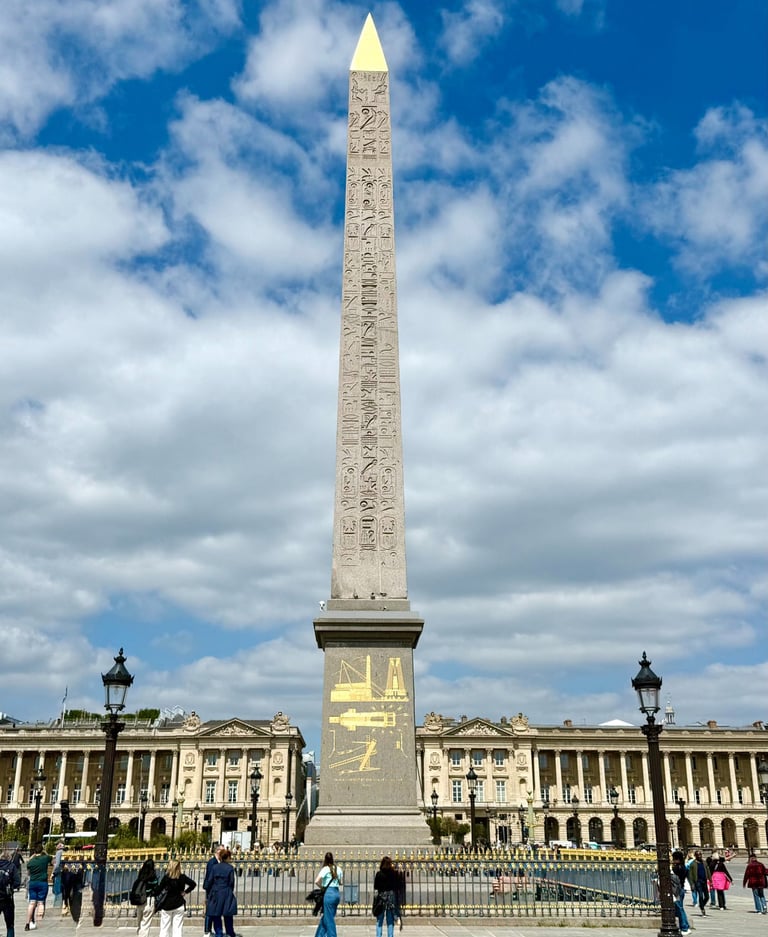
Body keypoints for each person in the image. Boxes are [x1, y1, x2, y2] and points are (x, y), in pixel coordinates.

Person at [155, 860, 196, 937]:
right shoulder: (182, 877)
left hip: (167, 904)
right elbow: (193, 884)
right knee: (177, 928)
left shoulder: (166, 878)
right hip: (179, 903)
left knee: (164, 928)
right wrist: (185, 892)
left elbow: (158, 890)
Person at [202, 848, 237, 937]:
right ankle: (230, 932)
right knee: (228, 915)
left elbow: (209, 880)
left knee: (216, 914)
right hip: (226, 892)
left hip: (216, 892)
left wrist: (208, 889)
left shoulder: (215, 867)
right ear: (228, 857)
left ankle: (219, 933)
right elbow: (231, 882)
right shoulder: (230, 868)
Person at [314, 852, 343, 937]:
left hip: (329, 894)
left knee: (329, 918)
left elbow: (316, 881)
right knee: (327, 916)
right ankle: (319, 935)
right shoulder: (338, 869)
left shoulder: (325, 869)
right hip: (336, 893)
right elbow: (341, 882)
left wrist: (322, 887)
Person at [24, 845, 52, 931]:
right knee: (40, 903)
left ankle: (28, 923)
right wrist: (44, 851)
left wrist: (33, 856)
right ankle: (39, 921)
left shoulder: (31, 862)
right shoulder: (45, 858)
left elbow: (28, 868)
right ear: (42, 851)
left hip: (32, 883)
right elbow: (50, 857)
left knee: (32, 903)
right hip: (42, 882)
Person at [373, 856, 401, 937]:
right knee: (390, 920)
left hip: (381, 897)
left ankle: (378, 935)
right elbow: (397, 886)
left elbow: (376, 887)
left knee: (379, 921)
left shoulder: (379, 874)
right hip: (391, 898)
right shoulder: (394, 874)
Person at [133, 858, 159, 937]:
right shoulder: (153, 877)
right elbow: (156, 889)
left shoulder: (140, 877)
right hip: (149, 901)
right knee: (145, 924)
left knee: (140, 924)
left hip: (139, 901)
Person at [1, 848, 22, 937]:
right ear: (9, 858)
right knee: (10, 925)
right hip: (7, 898)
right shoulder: (11, 866)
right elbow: (17, 882)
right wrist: (11, 888)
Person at [202, 847, 223, 937]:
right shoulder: (212, 862)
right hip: (211, 889)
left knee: (214, 909)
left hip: (217, 889)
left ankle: (211, 930)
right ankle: (207, 930)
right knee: (210, 909)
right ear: (217, 851)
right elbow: (210, 877)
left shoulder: (219, 861)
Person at [670, 851, 691, 935]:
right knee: (679, 908)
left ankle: (685, 927)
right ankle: (684, 926)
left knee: (679, 908)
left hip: (676, 890)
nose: (673, 860)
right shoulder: (684, 867)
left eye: (674, 858)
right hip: (681, 889)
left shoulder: (676, 868)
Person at [60, 860, 85, 924]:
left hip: (70, 873)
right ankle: (76, 915)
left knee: (71, 894)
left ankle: (75, 914)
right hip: (74, 873)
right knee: (75, 894)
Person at [688, 850, 709, 916]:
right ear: (695, 856)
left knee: (707, 897)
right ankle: (702, 909)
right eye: (698, 855)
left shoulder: (704, 863)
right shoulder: (692, 864)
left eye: (700, 855)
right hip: (697, 881)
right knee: (700, 895)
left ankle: (701, 904)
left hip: (704, 881)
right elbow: (690, 875)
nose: (699, 856)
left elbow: (708, 871)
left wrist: (711, 880)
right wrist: (692, 884)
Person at [51, 844, 64, 909]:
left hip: (58, 872)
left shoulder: (59, 852)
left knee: (57, 889)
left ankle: (57, 904)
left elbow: (57, 864)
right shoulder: (64, 852)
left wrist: (53, 872)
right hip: (63, 871)